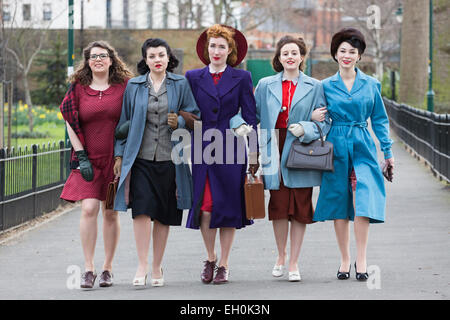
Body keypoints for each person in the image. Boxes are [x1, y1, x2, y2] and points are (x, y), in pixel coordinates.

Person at [113, 38, 200, 287]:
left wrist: (180, 123)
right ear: (146, 59)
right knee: (141, 210)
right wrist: (119, 155)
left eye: (161, 55)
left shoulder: (180, 83)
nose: (157, 60)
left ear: (169, 58)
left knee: (163, 213)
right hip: (140, 159)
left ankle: (156, 265)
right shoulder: (134, 86)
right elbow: (123, 124)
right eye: (152, 56)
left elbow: (195, 115)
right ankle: (141, 265)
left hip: (170, 158)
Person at [313, 28, 395, 281]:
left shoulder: (371, 85)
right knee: (339, 203)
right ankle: (344, 259)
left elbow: (379, 120)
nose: (347, 55)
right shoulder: (325, 86)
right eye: (342, 51)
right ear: (335, 55)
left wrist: (388, 152)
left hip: (363, 145)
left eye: (352, 52)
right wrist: (315, 119)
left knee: (364, 200)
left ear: (359, 56)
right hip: (336, 145)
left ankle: (362, 259)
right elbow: (319, 118)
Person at [248, 36, 330, 281]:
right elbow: (253, 117)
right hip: (274, 147)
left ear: (302, 57)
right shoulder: (264, 85)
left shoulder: (315, 86)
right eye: (285, 53)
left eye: (295, 53)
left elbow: (325, 123)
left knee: (301, 207)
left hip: (302, 148)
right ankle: (281, 255)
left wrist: (307, 127)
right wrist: (254, 152)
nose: (290, 57)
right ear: (279, 58)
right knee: (279, 206)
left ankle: (294, 261)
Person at [184, 24, 258, 284]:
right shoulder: (192, 77)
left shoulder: (242, 78)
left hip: (231, 148)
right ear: (207, 49)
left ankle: (224, 264)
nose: (216, 51)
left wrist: (253, 153)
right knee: (205, 207)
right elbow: (186, 111)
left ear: (230, 51)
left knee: (226, 206)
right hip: (203, 148)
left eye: (221, 46)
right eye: (212, 45)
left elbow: (251, 117)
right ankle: (210, 257)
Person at [60, 40, 133, 288]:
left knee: (110, 212)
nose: (98, 60)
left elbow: (135, 114)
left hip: (115, 161)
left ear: (111, 60)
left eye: (103, 56)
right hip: (88, 160)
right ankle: (89, 268)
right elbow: (69, 120)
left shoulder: (124, 86)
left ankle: (107, 269)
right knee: (89, 209)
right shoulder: (78, 88)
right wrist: (80, 156)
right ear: (87, 61)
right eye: (93, 57)